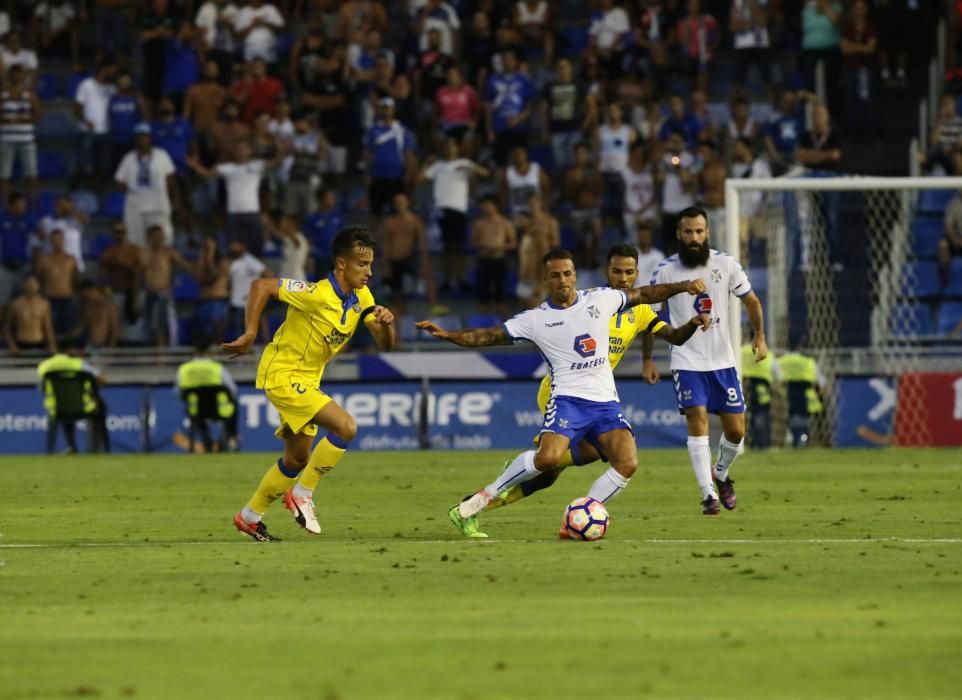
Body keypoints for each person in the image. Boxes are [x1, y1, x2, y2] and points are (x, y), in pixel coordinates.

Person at [416, 247, 705, 538]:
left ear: (575, 275)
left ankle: (579, 517)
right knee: (547, 461)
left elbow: (645, 295)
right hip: (567, 399)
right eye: (555, 275)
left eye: (567, 274)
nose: (562, 280)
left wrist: (684, 287)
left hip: (605, 402)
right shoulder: (534, 319)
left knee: (627, 461)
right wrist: (449, 335)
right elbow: (488, 335)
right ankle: (482, 498)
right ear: (545, 280)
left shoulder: (602, 299)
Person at [482, 244, 712, 517]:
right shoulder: (591, 300)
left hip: (596, 394)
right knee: (558, 463)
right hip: (561, 391)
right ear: (607, 271)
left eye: (629, 272)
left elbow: (672, 336)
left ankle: (551, 487)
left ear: (637, 273)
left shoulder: (639, 310)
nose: (622, 278)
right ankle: (516, 479)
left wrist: (689, 327)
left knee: (581, 458)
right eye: (616, 271)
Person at [226, 226, 397, 541]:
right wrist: (250, 334)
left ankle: (249, 517)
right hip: (283, 374)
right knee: (346, 427)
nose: (369, 272)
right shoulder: (316, 293)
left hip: (306, 380)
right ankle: (302, 494)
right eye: (362, 264)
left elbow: (386, 346)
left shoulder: (362, 297)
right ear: (342, 264)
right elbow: (261, 285)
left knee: (297, 458)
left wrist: (386, 324)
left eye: (371, 265)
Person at [647, 206, 768, 514]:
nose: (693, 237)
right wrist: (648, 359)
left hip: (722, 360)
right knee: (696, 419)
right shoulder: (665, 270)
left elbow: (751, 300)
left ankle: (722, 473)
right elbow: (648, 313)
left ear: (707, 233)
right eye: (688, 232)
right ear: (678, 234)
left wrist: (760, 336)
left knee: (737, 432)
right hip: (687, 360)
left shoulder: (725, 264)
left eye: (699, 231)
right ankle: (708, 495)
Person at [422, 137, 488, 293]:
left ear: (457, 149)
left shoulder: (464, 163)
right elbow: (419, 179)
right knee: (446, 248)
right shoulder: (438, 166)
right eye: (447, 146)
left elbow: (485, 173)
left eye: (453, 146)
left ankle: (460, 279)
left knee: (459, 248)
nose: (450, 149)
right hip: (443, 210)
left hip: (460, 210)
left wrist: (470, 167)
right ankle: (446, 280)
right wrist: (427, 163)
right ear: (443, 149)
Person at [37, 338, 109, 454]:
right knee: (100, 406)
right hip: (83, 407)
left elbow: (42, 385)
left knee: (66, 409)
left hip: (57, 408)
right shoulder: (79, 364)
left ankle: (71, 447)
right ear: (70, 350)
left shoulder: (45, 365)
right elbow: (103, 380)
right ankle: (100, 447)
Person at [114, 123, 179, 247]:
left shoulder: (162, 155)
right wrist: (131, 188)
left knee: (163, 243)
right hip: (136, 209)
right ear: (135, 139)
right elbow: (119, 182)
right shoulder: (128, 158)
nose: (142, 139)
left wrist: (176, 200)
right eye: (139, 136)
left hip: (158, 206)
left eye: (145, 136)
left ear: (150, 138)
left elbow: (171, 180)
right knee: (136, 244)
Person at [176, 333, 239, 452]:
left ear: (194, 350)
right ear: (209, 350)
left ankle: (208, 443)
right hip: (219, 409)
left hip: (195, 411)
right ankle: (230, 437)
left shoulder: (184, 369)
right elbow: (233, 390)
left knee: (197, 418)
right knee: (233, 406)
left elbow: (179, 393)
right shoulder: (217, 368)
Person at [380, 192, 436, 316]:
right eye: (397, 202)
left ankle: (433, 305)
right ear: (394, 205)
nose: (400, 205)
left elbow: (422, 242)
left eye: (402, 202)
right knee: (396, 290)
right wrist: (385, 265)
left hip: (410, 258)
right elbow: (386, 245)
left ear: (407, 203)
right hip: (394, 259)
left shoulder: (415, 220)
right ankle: (401, 312)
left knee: (428, 275)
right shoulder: (390, 222)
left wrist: (424, 261)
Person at [141, 225, 196, 347]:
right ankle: (156, 357)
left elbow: (186, 265)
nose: (158, 240)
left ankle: (161, 360)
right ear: (149, 238)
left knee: (162, 328)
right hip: (149, 294)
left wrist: (198, 273)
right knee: (151, 328)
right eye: (155, 237)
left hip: (163, 295)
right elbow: (137, 275)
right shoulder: (144, 254)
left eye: (160, 237)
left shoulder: (168, 253)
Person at [470, 194, 517, 313]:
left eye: (487, 205)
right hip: (483, 259)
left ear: (495, 206)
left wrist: (500, 247)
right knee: (482, 296)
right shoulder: (479, 223)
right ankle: (483, 327)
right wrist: (483, 245)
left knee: (500, 295)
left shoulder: (505, 223)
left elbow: (513, 243)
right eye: (483, 205)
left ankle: (501, 327)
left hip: (498, 259)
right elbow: (473, 242)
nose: (485, 207)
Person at [0, 64, 40, 202]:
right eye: (14, 73)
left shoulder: (30, 95)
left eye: (19, 73)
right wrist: (6, 119)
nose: (17, 76)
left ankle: (32, 202)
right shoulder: (3, 95)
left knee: (31, 175)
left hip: (26, 139)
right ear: (9, 75)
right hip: (6, 140)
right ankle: (5, 204)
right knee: (4, 175)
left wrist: (19, 120)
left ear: (23, 76)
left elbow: (37, 116)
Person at [34, 229, 78, 341]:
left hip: (66, 297)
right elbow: (39, 279)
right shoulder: (44, 259)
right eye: (55, 239)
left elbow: (75, 278)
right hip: (50, 298)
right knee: (50, 329)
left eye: (60, 239)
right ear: (51, 241)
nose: (58, 242)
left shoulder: (71, 259)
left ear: (64, 241)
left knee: (68, 329)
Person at [778, 344, 825, 448]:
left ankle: (791, 438)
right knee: (807, 421)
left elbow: (778, 381)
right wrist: (820, 397)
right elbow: (822, 384)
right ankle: (807, 440)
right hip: (808, 398)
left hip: (787, 398)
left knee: (791, 419)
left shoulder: (781, 361)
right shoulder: (809, 362)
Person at [3, 274, 56, 355]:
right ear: (24, 285)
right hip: (20, 344)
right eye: (29, 283)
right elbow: (6, 328)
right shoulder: (15, 304)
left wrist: (52, 345)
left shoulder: (44, 304)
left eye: (34, 284)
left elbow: (48, 327)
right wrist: (12, 345)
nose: (31, 286)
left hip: (39, 343)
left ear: (38, 286)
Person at [740, 341, 775, 448]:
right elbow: (777, 373)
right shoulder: (768, 353)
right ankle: (761, 441)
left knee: (744, 415)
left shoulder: (741, 351)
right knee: (761, 415)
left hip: (744, 387)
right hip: (761, 388)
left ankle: (746, 441)